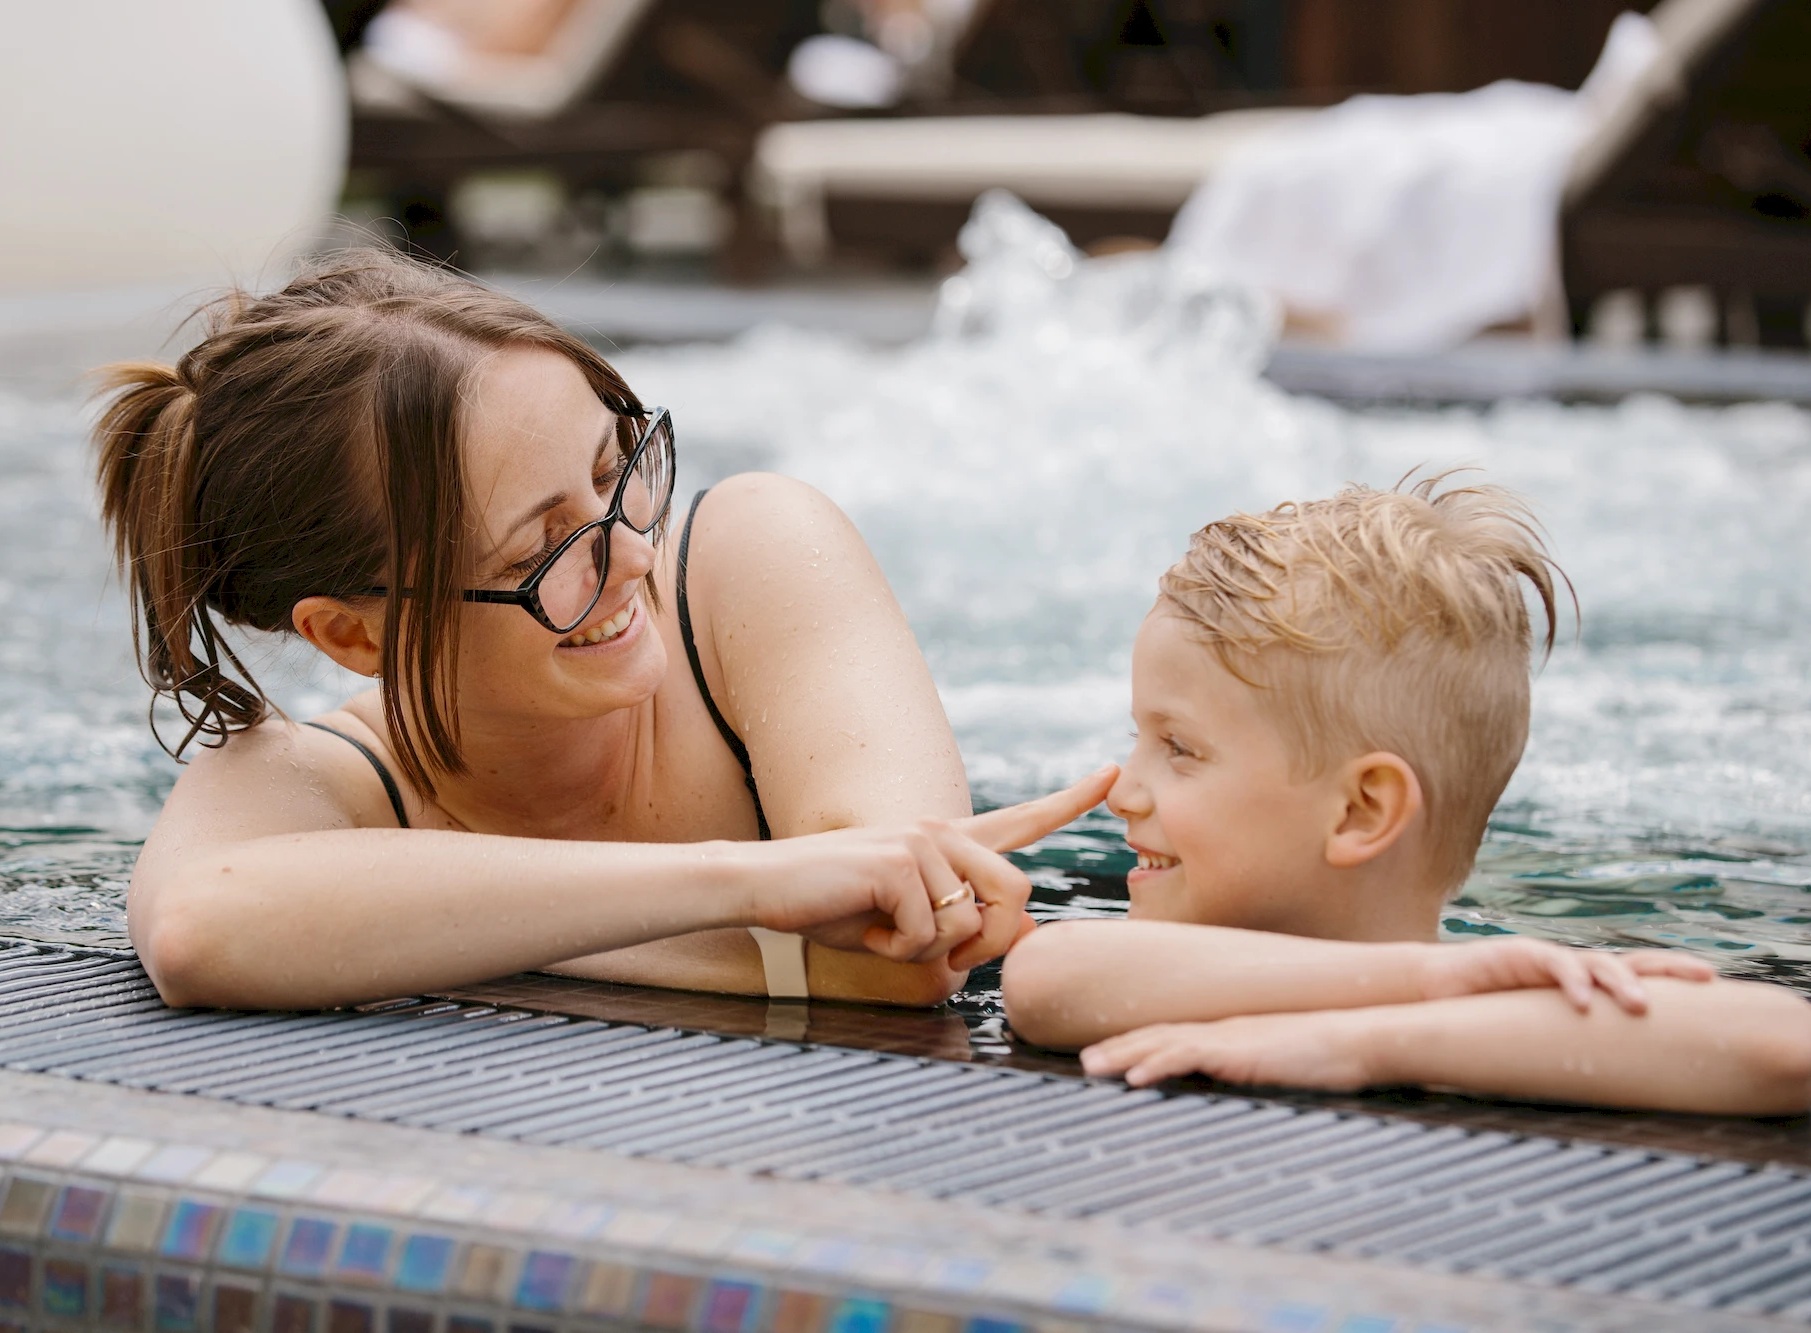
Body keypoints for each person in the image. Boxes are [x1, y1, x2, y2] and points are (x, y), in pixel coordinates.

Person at [96, 249, 1113, 1012]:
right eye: (539, 554)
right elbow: (198, 930)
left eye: (612, 469)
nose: (630, 556)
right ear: (356, 638)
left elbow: (900, 958)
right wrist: (748, 883)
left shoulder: (747, 558)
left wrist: (431, 932)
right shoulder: (322, 777)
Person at [1002, 477, 1811, 1116]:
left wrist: (1360, 1044)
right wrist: (1429, 984)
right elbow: (1046, 975)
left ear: (1362, 810)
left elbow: (1781, 1043)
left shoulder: (1491, 994)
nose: (1123, 788)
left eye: (1178, 748)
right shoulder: (1454, 981)